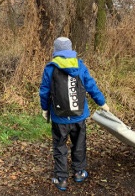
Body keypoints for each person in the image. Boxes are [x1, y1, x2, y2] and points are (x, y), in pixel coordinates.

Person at [39, 37, 110, 191]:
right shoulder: (80, 66)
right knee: (79, 144)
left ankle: (61, 178)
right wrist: (102, 102)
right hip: (79, 116)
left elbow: (44, 91)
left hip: (59, 117)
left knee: (59, 146)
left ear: (56, 51)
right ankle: (79, 172)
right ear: (71, 50)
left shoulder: (50, 68)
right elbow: (91, 86)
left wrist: (45, 109)